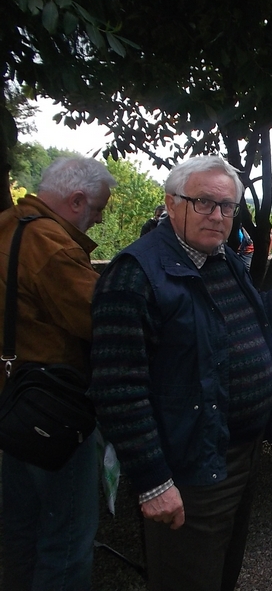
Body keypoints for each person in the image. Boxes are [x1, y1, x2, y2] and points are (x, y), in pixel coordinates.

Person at [89, 155, 272, 591]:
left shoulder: (221, 259)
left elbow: (251, 315)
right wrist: (152, 482)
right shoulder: (134, 276)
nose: (218, 215)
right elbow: (117, 389)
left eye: (227, 207)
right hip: (189, 462)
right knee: (188, 577)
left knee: (222, 572)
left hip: (238, 451)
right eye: (204, 202)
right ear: (172, 203)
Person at [0, 157, 116, 590]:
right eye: (98, 209)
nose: (100, 220)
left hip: (14, 399)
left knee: (21, 528)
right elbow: (100, 320)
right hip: (53, 408)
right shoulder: (52, 247)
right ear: (76, 200)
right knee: (65, 539)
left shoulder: (10, 224)